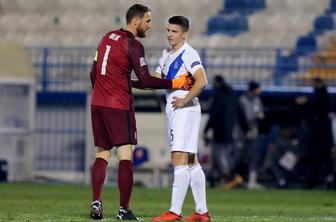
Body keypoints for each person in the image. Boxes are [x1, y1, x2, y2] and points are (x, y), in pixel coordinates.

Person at [89, 4, 193, 220]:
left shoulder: (106, 37)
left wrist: (103, 90)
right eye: (147, 21)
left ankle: (96, 201)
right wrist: (176, 83)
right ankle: (123, 210)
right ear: (136, 22)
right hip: (119, 105)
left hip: (98, 103)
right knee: (125, 156)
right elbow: (145, 80)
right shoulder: (133, 45)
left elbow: (93, 72)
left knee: (102, 153)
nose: (150, 25)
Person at [135, 15, 210, 221]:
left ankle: (174, 211)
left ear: (184, 34)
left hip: (185, 111)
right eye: (168, 30)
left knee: (178, 159)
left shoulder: (188, 53)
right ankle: (202, 212)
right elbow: (155, 82)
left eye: (174, 31)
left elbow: (202, 81)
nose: (169, 34)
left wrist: (185, 100)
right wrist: (131, 82)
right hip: (178, 110)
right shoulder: (166, 54)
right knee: (191, 161)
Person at [203, 75, 249, 188]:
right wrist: (246, 129)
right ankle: (228, 177)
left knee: (220, 154)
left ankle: (229, 177)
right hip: (233, 132)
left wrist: (206, 129)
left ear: (218, 83)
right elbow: (241, 113)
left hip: (220, 131)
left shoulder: (218, 96)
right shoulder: (233, 95)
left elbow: (214, 115)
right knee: (228, 155)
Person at [296, 77, 334, 188]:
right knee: (322, 159)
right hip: (322, 135)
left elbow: (314, 115)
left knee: (318, 158)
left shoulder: (321, 97)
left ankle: (315, 182)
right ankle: (322, 180)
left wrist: (305, 104)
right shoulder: (322, 96)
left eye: (313, 83)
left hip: (320, 135)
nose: (311, 85)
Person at [238, 81, 265, 190]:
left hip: (254, 131)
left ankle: (252, 181)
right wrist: (246, 131)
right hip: (242, 132)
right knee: (240, 156)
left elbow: (260, 113)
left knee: (254, 156)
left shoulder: (257, 100)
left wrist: (260, 116)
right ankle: (237, 179)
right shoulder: (242, 100)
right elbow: (242, 118)